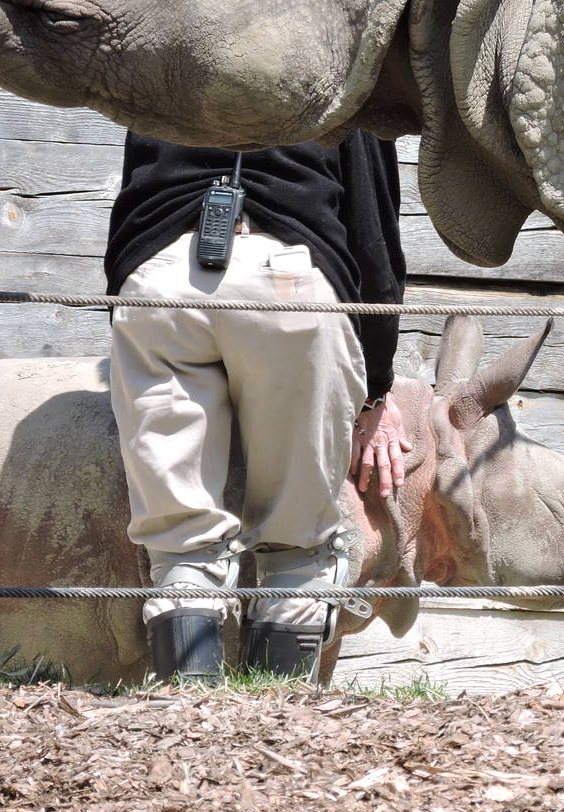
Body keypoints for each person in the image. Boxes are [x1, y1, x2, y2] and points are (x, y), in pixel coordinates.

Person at [104, 131, 409, 682]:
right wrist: (377, 389)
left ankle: (187, 712)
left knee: (180, 547)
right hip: (285, 277)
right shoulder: (341, 63)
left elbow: (134, 190)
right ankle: (273, 715)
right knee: (298, 546)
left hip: (160, 277)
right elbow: (373, 223)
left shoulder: (166, 44)